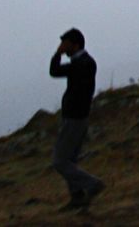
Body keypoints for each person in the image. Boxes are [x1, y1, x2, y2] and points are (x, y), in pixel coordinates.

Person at [50, 28, 105, 210]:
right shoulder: (81, 62)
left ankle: (92, 184)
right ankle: (77, 196)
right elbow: (56, 71)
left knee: (60, 161)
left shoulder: (83, 63)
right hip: (75, 116)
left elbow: (55, 71)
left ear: (75, 44)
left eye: (66, 44)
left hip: (75, 117)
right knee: (70, 160)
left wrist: (57, 54)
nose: (63, 48)